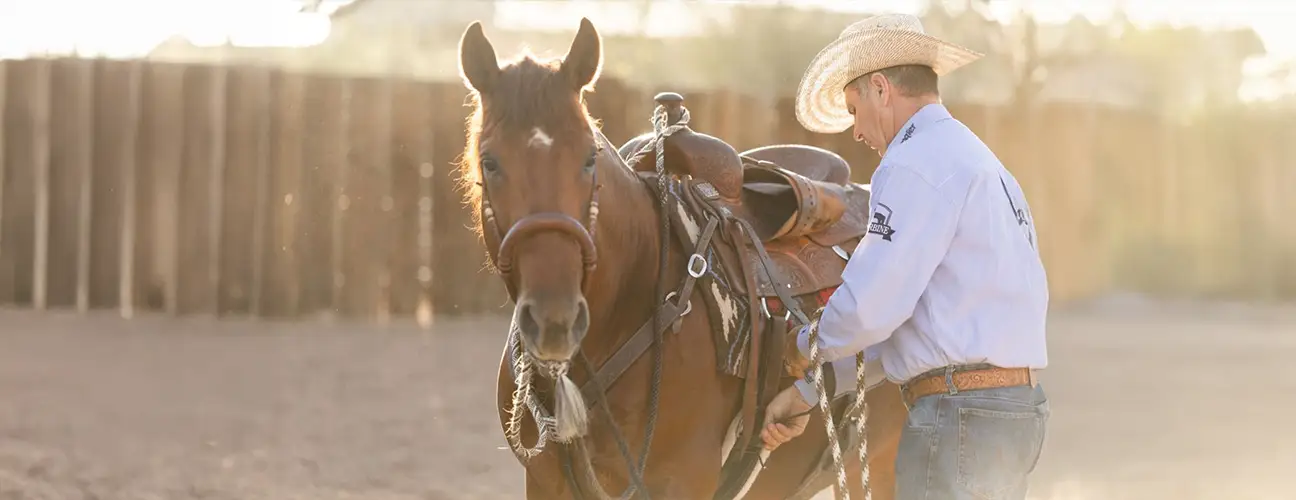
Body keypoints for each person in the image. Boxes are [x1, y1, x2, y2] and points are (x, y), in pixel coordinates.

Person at [758, 13, 1052, 500]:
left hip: (960, 416)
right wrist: (810, 392)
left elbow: (872, 308)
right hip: (1010, 408)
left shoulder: (912, 164)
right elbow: (905, 324)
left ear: (880, 88)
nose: (855, 132)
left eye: (853, 109)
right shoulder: (978, 161)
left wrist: (800, 348)